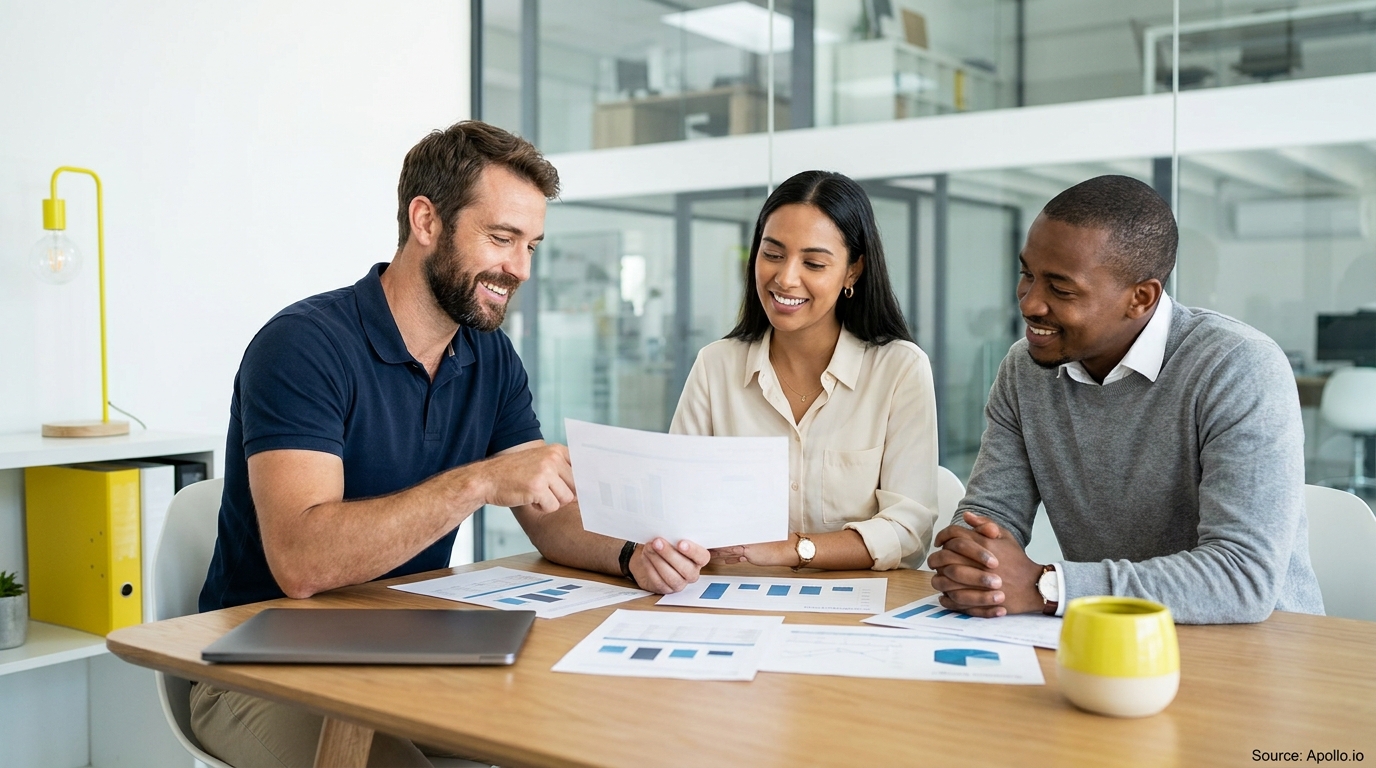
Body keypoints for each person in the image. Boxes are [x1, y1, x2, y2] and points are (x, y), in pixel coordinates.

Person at [192, 121, 577, 768]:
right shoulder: (304, 346)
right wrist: (479, 481)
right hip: (261, 662)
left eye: (532, 245)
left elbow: (550, 515)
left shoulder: (491, 357)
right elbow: (303, 564)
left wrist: (633, 552)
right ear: (426, 220)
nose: (520, 269)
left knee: (558, 739)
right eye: (502, 238)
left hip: (410, 647)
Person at [926, 174, 1324, 624]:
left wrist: (1047, 585)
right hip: (1107, 633)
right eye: (1027, 274)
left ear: (1141, 298)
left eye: (1060, 288)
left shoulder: (1237, 366)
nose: (1029, 303)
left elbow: (1240, 577)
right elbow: (990, 515)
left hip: (1259, 648)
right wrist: (972, 558)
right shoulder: (1026, 370)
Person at [528, 170, 938, 584]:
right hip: (731, 605)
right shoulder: (715, 366)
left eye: (813, 262)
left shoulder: (899, 369)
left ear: (853, 271)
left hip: (857, 610)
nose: (786, 278)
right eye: (772, 254)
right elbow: (674, 511)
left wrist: (791, 548)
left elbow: (908, 533)